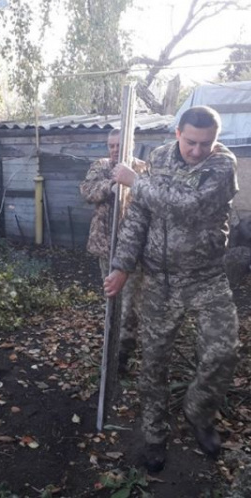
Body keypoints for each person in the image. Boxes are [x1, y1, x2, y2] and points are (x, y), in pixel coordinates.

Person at [103, 106, 239, 473]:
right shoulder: (158, 159)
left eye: (205, 143)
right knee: (154, 362)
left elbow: (189, 207)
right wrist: (121, 266)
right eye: (191, 142)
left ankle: (198, 412)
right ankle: (154, 435)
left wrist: (137, 182)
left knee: (223, 352)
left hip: (205, 276)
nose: (197, 151)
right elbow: (139, 217)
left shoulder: (222, 165)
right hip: (159, 279)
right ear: (177, 133)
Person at [80, 129, 147, 372]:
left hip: (134, 252)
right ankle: (110, 345)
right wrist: (111, 185)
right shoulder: (100, 166)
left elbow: (152, 201)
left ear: (131, 143)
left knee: (130, 305)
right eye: (111, 145)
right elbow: (87, 191)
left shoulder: (142, 169)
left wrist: (131, 183)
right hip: (105, 247)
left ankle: (123, 355)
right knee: (111, 299)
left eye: (119, 144)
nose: (114, 149)